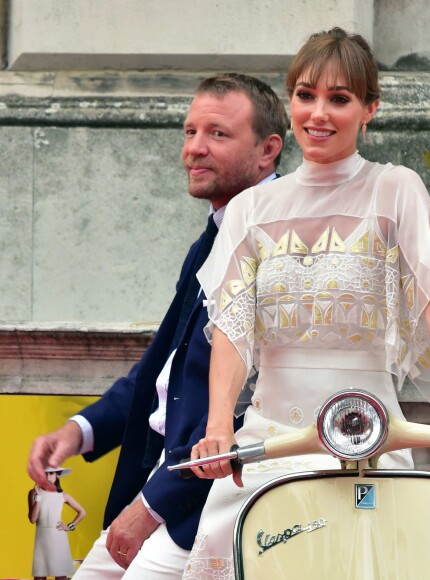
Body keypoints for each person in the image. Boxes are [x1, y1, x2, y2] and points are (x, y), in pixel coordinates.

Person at [182, 28, 430, 578]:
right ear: (291, 102)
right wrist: (219, 427)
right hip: (269, 447)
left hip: (372, 446)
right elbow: (233, 330)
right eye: (306, 95)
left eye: (340, 98)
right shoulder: (251, 208)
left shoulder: (396, 189)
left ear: (369, 109)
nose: (318, 113)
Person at [26, 73, 287, 579]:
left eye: (217, 133)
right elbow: (160, 373)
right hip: (169, 490)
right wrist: (77, 433)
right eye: (190, 132)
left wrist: (150, 509)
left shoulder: (278, 240)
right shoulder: (210, 239)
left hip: (214, 503)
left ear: (268, 150)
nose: (195, 149)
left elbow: (249, 404)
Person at [28, 466, 86, 580]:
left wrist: (69, 526)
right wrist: (38, 497)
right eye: (45, 473)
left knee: (60, 576)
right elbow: (33, 519)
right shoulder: (33, 493)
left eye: (52, 473)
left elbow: (82, 512)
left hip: (58, 537)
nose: (48, 477)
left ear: (57, 474)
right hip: (41, 538)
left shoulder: (63, 495)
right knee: (39, 577)